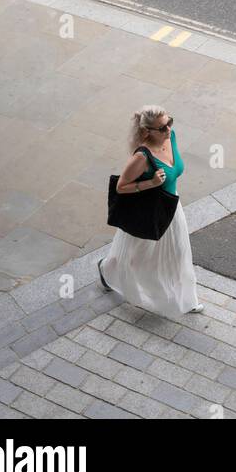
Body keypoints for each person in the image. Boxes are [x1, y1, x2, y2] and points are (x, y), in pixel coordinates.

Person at [98, 106, 203, 316]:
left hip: (172, 208)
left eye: (169, 122)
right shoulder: (142, 157)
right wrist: (151, 183)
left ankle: (186, 299)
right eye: (162, 127)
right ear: (147, 132)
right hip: (150, 212)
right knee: (135, 256)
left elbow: (174, 170)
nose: (168, 129)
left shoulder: (170, 137)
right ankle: (107, 271)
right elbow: (121, 187)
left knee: (179, 254)